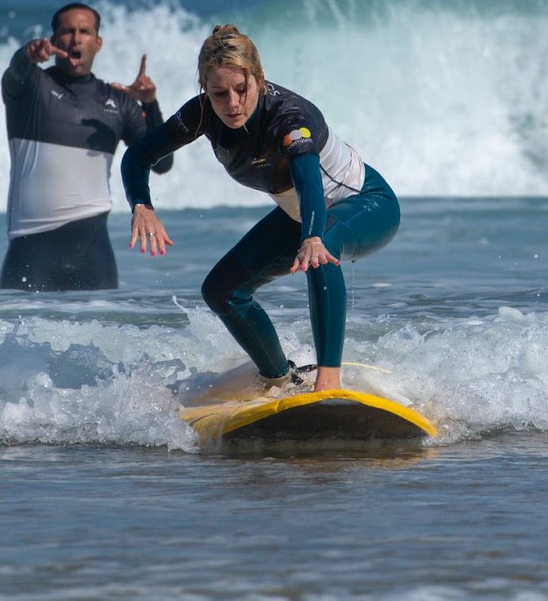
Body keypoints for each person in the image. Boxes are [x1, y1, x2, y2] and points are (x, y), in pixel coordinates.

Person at [121, 24, 400, 392]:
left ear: (259, 79)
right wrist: (141, 204)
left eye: (241, 89)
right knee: (221, 291)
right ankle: (278, 377)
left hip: (366, 205)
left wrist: (313, 236)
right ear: (205, 89)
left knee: (322, 250)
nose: (232, 104)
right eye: (219, 93)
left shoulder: (290, 119)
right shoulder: (202, 114)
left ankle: (328, 381)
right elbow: (138, 154)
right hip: (302, 214)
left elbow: (308, 183)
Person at [0, 2, 172, 291]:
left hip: (93, 254)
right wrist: (27, 55)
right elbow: (14, 74)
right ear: (54, 41)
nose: (76, 39)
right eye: (67, 31)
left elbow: (162, 163)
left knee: (103, 335)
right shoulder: (30, 88)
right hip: (31, 248)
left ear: (98, 42)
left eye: (85, 31)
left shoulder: (119, 101)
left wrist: (150, 105)